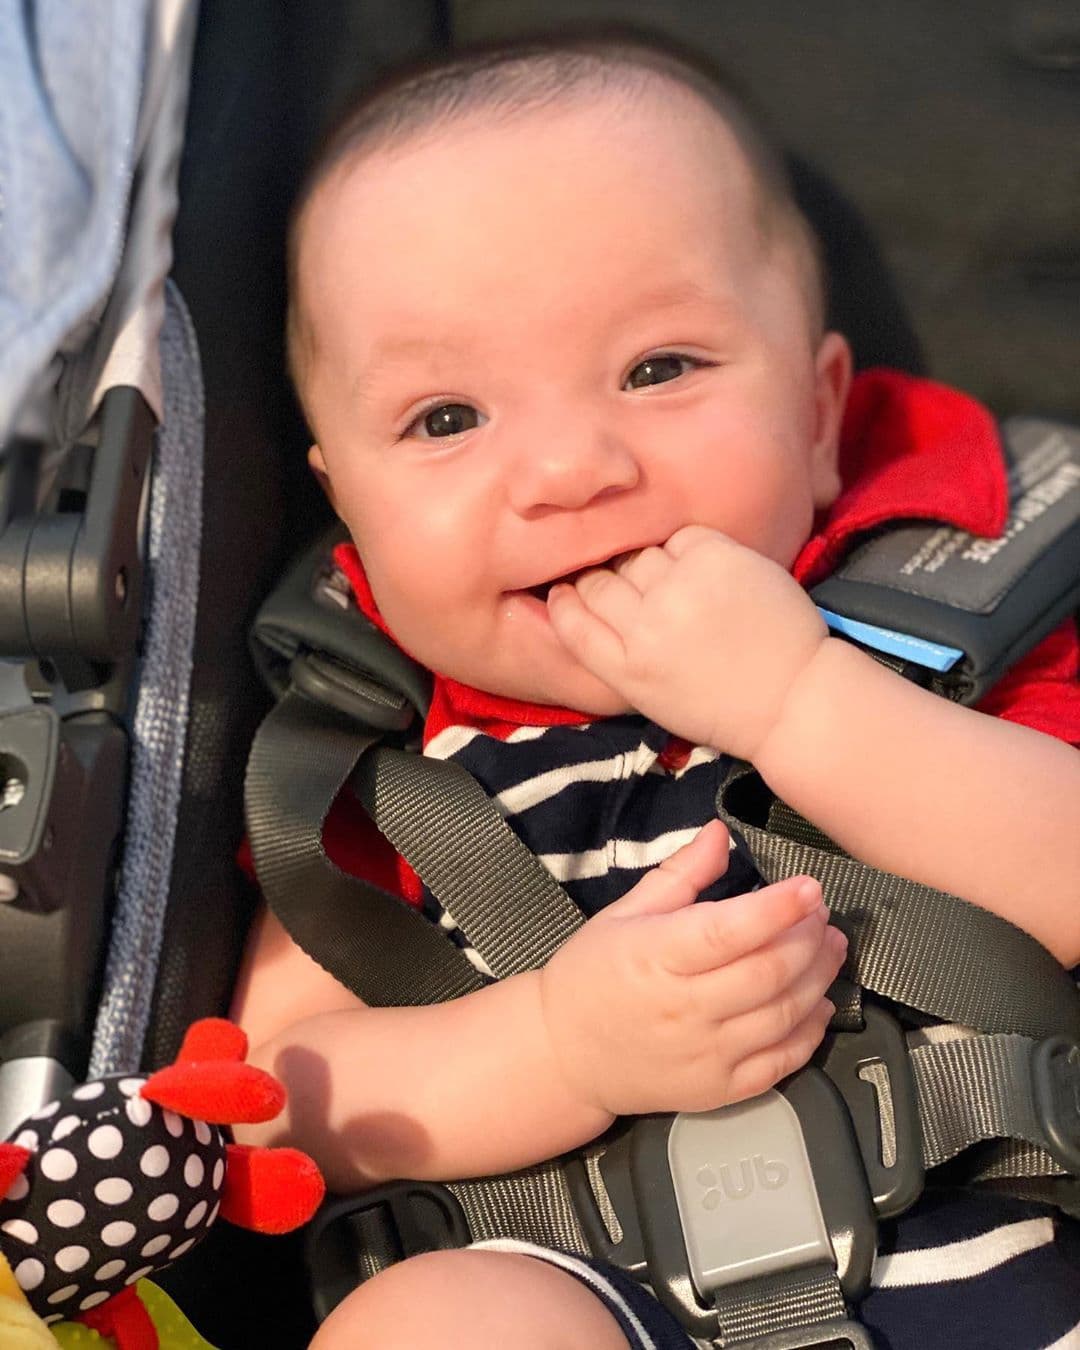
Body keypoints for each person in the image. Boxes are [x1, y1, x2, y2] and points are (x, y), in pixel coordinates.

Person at [231, 32, 1080, 1350]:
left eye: (659, 368)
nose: (569, 468)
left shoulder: (942, 628)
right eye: (447, 417)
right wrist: (558, 1048)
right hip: (595, 1297)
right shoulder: (376, 771)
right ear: (342, 494)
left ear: (817, 417)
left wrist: (800, 698)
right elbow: (276, 1097)